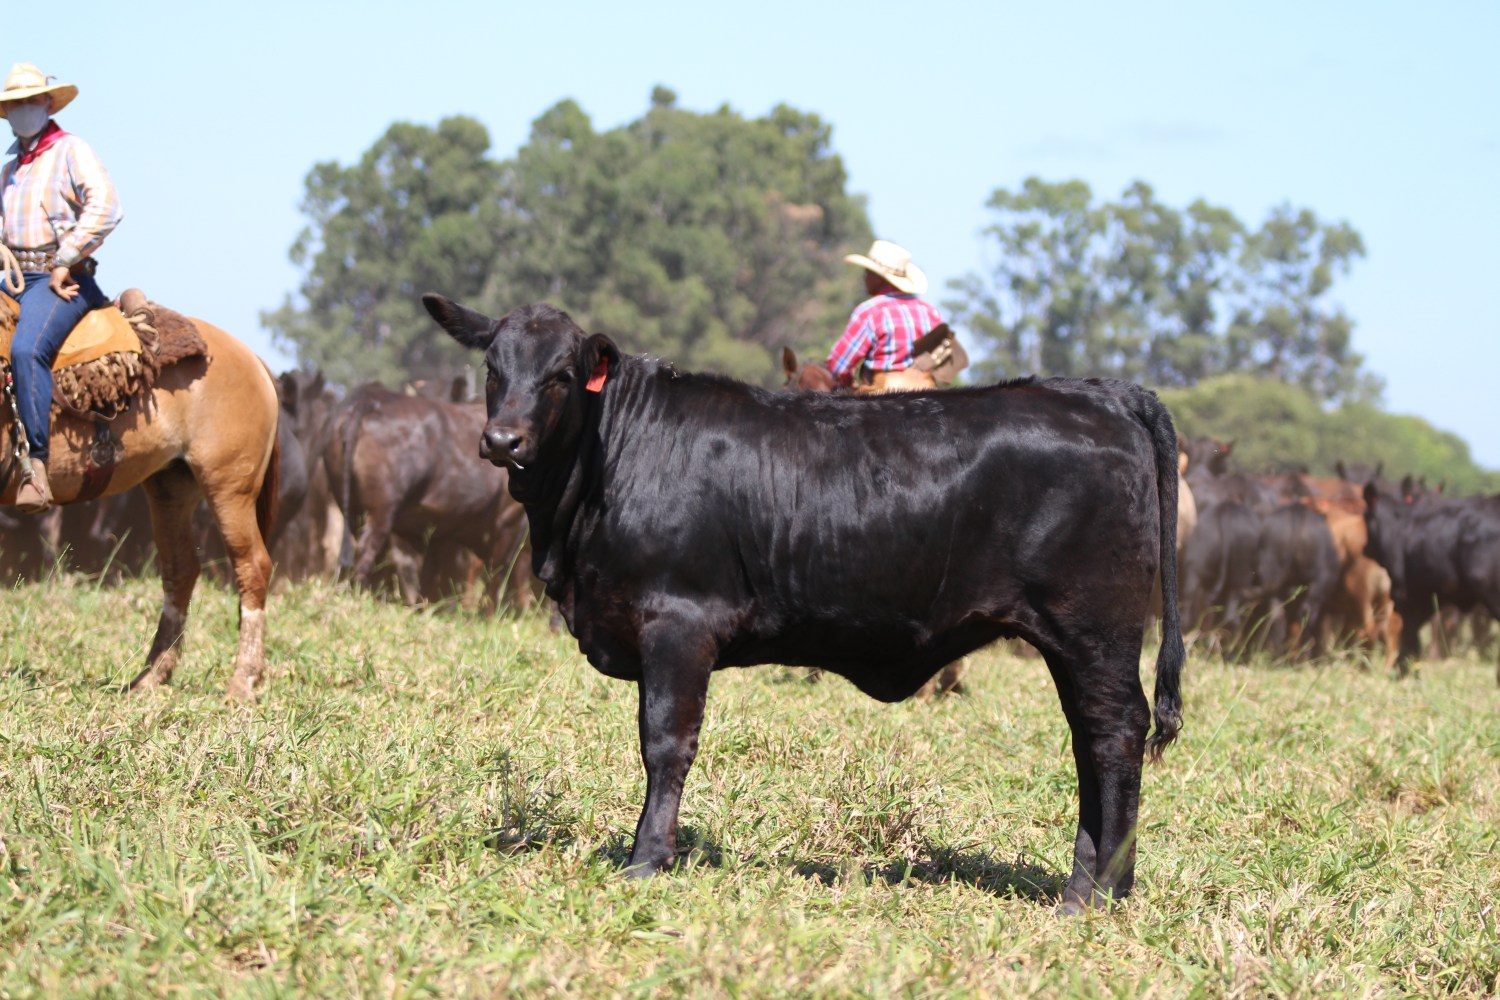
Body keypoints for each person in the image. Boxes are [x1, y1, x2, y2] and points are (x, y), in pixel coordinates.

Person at [0, 63, 122, 513]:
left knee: (27, 349)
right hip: (16, 280)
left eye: (30, 101)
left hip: (65, 280)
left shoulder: (72, 150)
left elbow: (107, 206)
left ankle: (36, 466)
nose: (22, 110)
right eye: (15, 104)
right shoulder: (10, 168)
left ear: (48, 104)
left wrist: (66, 257)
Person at [825, 239, 943, 392]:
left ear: (878, 278)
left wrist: (848, 382)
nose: (864, 277)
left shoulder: (870, 311)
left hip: (883, 398)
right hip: (929, 398)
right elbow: (944, 366)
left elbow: (838, 365)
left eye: (867, 272)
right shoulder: (931, 313)